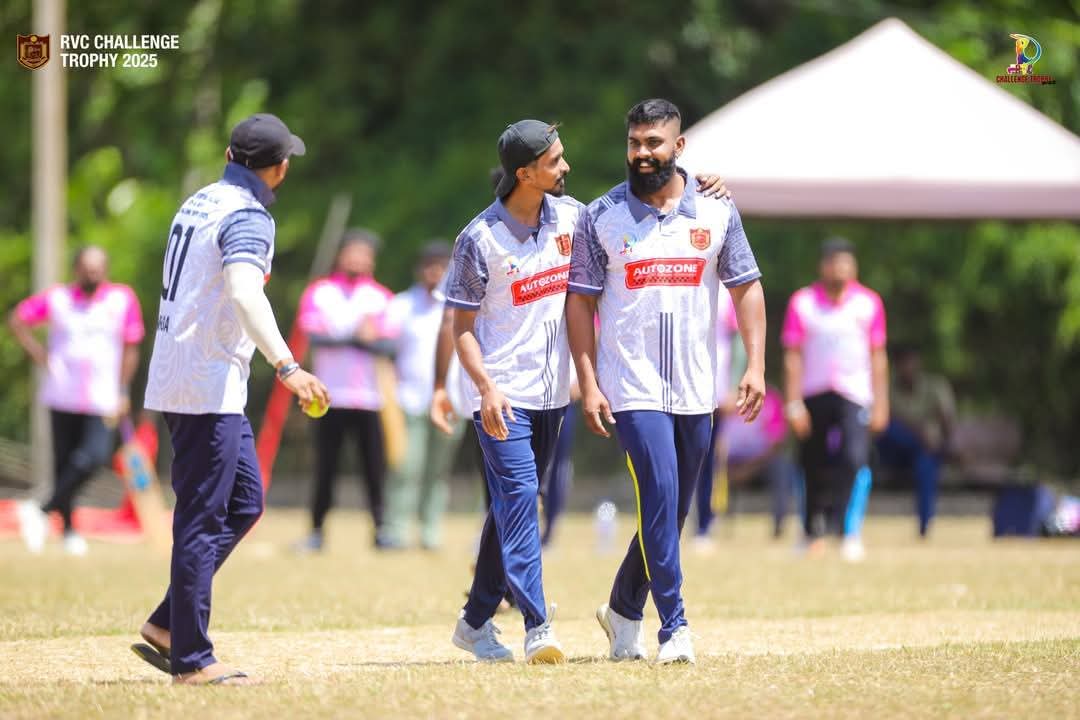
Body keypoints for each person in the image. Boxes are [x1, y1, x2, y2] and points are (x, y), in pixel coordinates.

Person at [567, 99, 766, 665]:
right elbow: (579, 304)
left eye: (653, 143)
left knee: (671, 510)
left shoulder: (716, 209)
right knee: (658, 494)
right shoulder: (600, 215)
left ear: (678, 147)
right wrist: (589, 380)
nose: (641, 153)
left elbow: (746, 286)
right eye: (634, 142)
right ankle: (673, 626)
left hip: (697, 387)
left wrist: (755, 365)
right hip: (631, 387)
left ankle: (624, 608)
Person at [136, 113, 328, 685]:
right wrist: (289, 366)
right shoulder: (249, 215)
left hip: (194, 376)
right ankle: (191, 659)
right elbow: (245, 293)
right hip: (204, 385)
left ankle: (169, 622)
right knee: (201, 518)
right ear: (281, 169)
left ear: (227, 154)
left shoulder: (200, 200)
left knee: (244, 501)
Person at [445, 119, 578, 664]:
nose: (565, 167)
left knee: (509, 509)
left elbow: (633, 214)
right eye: (555, 161)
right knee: (522, 499)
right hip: (501, 398)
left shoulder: (574, 218)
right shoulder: (478, 239)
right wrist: (485, 388)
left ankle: (474, 622)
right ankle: (537, 623)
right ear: (525, 173)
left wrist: (693, 183)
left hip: (553, 397)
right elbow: (461, 327)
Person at [9, 246, 144, 556]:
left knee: (93, 457)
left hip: (102, 396)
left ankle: (40, 509)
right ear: (76, 269)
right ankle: (68, 529)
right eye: (87, 268)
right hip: (62, 393)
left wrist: (123, 390)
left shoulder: (121, 299)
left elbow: (131, 346)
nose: (92, 274)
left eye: (98, 268)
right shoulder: (58, 298)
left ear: (106, 270)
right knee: (64, 462)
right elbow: (18, 319)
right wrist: (39, 355)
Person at [781, 237, 888, 561]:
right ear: (823, 265)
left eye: (846, 262)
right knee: (811, 462)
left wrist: (882, 402)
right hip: (813, 393)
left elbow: (878, 356)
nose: (839, 268)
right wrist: (793, 402)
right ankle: (811, 530)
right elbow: (792, 355)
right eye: (833, 261)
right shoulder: (803, 303)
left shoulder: (868, 303)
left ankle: (847, 530)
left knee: (854, 458)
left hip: (854, 394)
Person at [295, 230, 395, 551]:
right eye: (352, 253)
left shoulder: (380, 296)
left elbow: (389, 345)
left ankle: (381, 530)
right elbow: (314, 337)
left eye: (363, 254)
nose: (357, 259)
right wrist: (358, 338)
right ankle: (316, 530)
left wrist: (364, 340)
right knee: (326, 467)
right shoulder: (320, 292)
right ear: (341, 255)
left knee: (374, 469)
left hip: (369, 397)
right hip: (328, 396)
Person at [381, 241, 463, 550]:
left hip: (451, 399)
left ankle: (430, 530)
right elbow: (384, 348)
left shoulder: (462, 303)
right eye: (429, 265)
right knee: (405, 468)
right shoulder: (403, 305)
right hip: (409, 399)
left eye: (441, 265)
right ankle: (396, 530)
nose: (435, 272)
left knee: (438, 471)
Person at [876, 344, 956, 537]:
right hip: (893, 452)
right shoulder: (887, 390)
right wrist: (919, 433)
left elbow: (947, 423)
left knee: (926, 465)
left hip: (925, 452)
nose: (908, 367)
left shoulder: (935, 386)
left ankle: (924, 525)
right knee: (891, 429)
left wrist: (943, 446)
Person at [693, 289, 742, 542]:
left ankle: (704, 524)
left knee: (707, 458)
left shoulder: (724, 292)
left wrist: (734, 384)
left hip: (714, 388)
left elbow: (738, 341)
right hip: (673, 386)